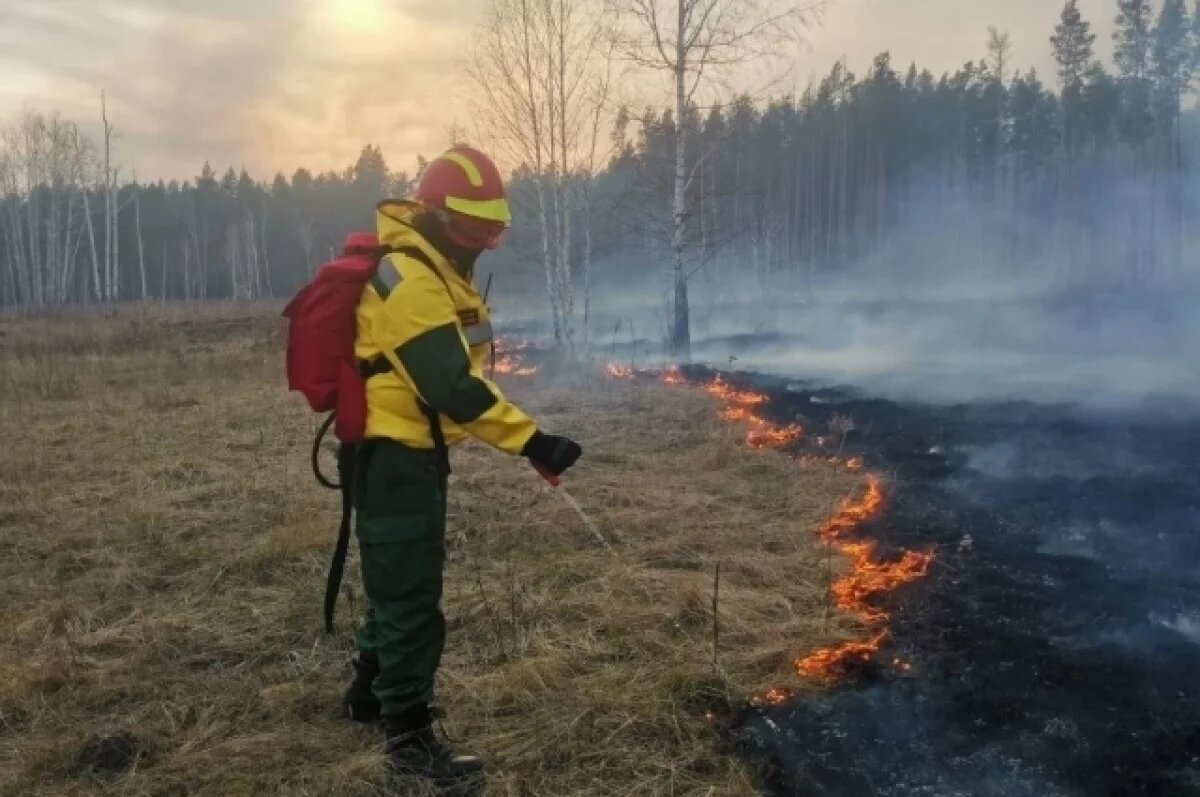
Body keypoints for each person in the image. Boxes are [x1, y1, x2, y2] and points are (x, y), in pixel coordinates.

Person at [340, 145, 582, 787]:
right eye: (476, 230)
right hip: (397, 457)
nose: (487, 244)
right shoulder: (411, 279)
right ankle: (410, 745)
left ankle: (366, 693)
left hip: (410, 452)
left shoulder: (434, 266)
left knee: (397, 580)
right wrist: (532, 441)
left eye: (494, 230)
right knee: (413, 596)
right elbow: (450, 384)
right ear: (438, 217)